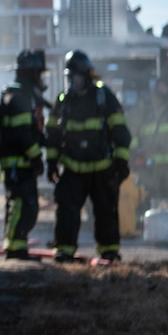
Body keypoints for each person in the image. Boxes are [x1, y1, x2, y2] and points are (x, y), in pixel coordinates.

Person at [45, 50, 131, 264]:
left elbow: (120, 132)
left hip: (101, 168)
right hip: (73, 168)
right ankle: (64, 251)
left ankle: (109, 253)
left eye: (74, 77)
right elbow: (53, 135)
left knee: (105, 212)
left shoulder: (104, 97)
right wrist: (51, 162)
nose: (71, 82)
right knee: (67, 211)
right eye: (68, 77)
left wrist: (121, 161)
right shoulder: (63, 101)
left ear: (86, 76)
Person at [0, 49, 49, 260]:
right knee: (21, 205)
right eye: (38, 73)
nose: (41, 78)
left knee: (26, 206)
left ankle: (18, 247)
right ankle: (14, 249)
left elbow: (32, 131)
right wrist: (37, 157)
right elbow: (23, 133)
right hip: (18, 163)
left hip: (21, 163)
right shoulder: (18, 97)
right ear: (31, 73)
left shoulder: (24, 96)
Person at [133, 77, 168, 206]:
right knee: (148, 202)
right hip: (149, 168)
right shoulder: (145, 105)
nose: (164, 89)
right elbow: (131, 130)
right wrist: (137, 152)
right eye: (163, 85)